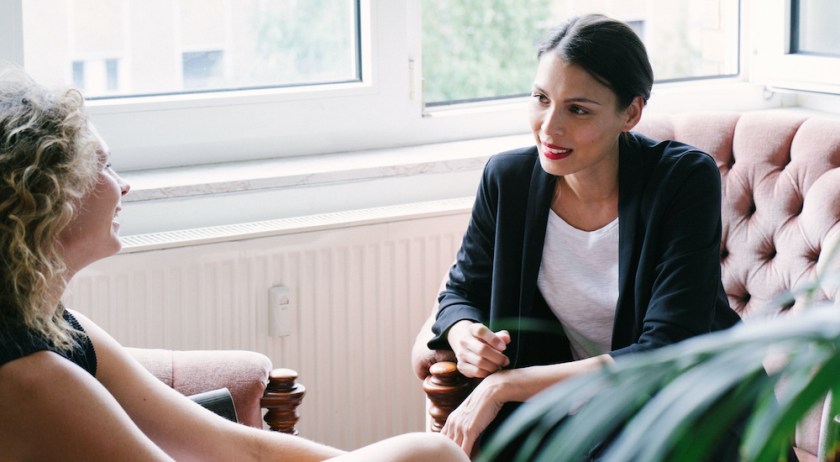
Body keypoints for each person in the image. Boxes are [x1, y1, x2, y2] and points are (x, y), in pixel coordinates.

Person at [0, 67, 469, 462]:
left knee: (429, 454)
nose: (123, 186)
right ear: (51, 197)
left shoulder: (61, 328)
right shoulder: (31, 376)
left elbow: (232, 446)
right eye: (103, 166)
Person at [411, 14, 742, 458]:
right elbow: (459, 291)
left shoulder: (683, 180)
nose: (550, 127)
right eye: (541, 98)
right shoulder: (507, 179)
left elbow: (666, 349)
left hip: (682, 409)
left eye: (578, 109)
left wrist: (506, 386)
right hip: (567, 414)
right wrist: (463, 331)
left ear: (631, 113)